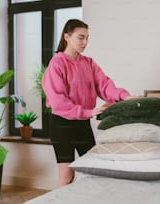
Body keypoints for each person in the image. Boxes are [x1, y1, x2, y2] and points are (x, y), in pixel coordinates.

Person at [42, 19, 136, 188]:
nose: (85, 43)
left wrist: (125, 97)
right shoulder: (57, 64)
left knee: (94, 168)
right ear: (67, 37)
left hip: (82, 123)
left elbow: (105, 85)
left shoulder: (88, 63)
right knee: (67, 175)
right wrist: (88, 112)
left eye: (87, 38)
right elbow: (58, 102)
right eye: (80, 38)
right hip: (62, 124)